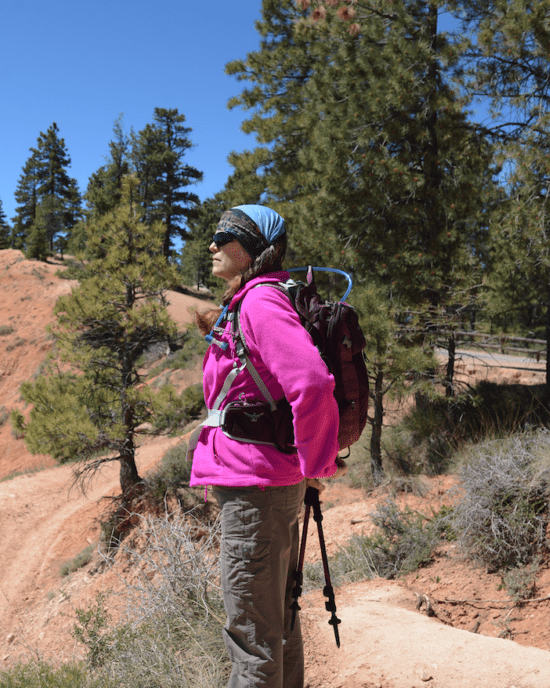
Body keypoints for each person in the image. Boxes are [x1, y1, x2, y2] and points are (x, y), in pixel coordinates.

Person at [190, 204, 344, 688]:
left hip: (256, 490)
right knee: (277, 626)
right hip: (264, 485)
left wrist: (315, 464)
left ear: (253, 248)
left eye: (223, 236)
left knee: (253, 642)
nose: (212, 245)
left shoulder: (259, 302)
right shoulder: (255, 300)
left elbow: (313, 383)